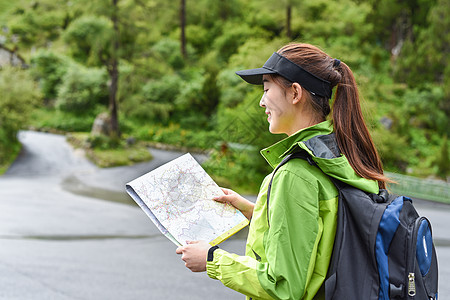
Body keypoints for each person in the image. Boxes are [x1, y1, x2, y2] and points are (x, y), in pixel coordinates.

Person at [176, 43, 389, 299]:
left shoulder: (296, 174)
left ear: (295, 93)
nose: (261, 101)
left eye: (266, 89)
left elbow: (284, 286)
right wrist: (256, 212)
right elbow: (323, 234)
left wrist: (213, 259)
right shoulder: (340, 155)